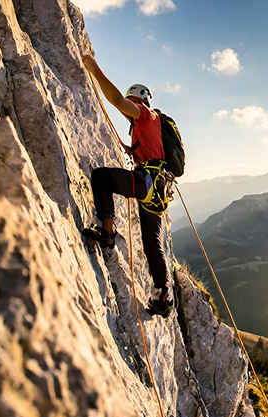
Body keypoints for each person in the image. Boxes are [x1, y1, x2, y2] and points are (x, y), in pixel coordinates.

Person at [81, 54, 173, 317]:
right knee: (151, 242)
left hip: (147, 182)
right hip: (158, 189)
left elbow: (117, 101)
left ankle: (107, 232)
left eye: (132, 102)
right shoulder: (145, 126)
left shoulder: (145, 114)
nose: (128, 108)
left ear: (138, 100)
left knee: (102, 176)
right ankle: (162, 294)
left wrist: (95, 70)